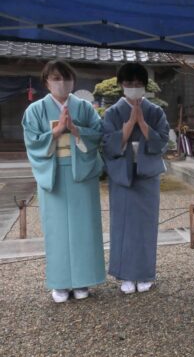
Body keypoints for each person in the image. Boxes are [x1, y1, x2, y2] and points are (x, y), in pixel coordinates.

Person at [22, 60, 105, 302]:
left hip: (82, 173)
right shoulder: (35, 110)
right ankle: (59, 283)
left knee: (84, 229)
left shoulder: (85, 108)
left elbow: (98, 135)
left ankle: (82, 281)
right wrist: (56, 132)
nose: (62, 83)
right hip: (53, 173)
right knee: (56, 232)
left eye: (66, 78)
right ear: (46, 81)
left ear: (73, 81)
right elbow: (32, 142)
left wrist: (76, 130)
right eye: (56, 78)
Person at [101, 63, 170, 295]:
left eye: (138, 84)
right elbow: (108, 145)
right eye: (129, 84)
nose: (133, 87)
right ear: (121, 85)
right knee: (122, 225)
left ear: (145, 86)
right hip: (123, 173)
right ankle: (125, 276)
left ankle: (145, 274)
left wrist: (142, 123)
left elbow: (162, 142)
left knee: (146, 226)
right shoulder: (112, 112)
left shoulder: (155, 111)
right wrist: (129, 125)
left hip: (147, 173)